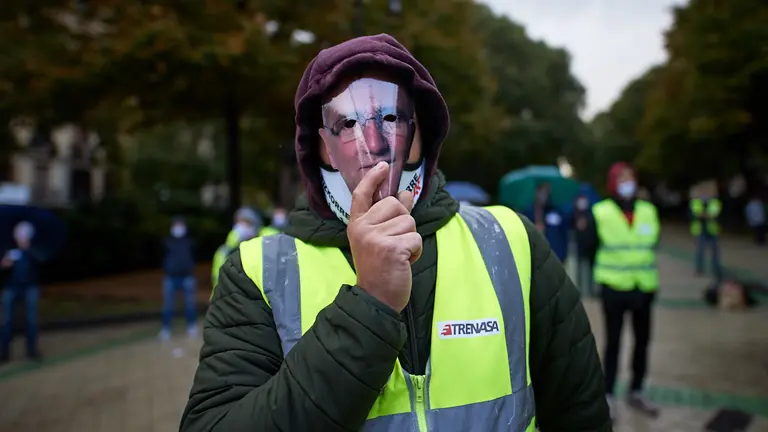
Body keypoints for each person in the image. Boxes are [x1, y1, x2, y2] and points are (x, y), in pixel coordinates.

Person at [181, 34, 610, 432]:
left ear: (424, 132)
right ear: (319, 146)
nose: (374, 143)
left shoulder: (511, 242)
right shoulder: (258, 271)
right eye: (346, 124)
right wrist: (369, 304)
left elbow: (581, 413)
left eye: (391, 117)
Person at [584, 162, 660, 419]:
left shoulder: (648, 211)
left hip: (643, 287)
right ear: (613, 182)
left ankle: (637, 390)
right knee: (613, 343)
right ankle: (608, 394)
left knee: (643, 342)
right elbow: (589, 247)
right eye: (623, 178)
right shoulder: (601, 211)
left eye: (632, 178)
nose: (628, 183)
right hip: (614, 288)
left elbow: (652, 244)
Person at [0, 221, 43, 362]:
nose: (22, 238)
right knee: (6, 321)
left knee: (31, 320)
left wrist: (28, 251)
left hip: (29, 287)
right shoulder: (9, 250)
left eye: (25, 235)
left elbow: (40, 264)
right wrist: (5, 265)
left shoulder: (33, 251)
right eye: (20, 235)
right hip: (11, 288)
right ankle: (4, 353)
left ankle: (31, 350)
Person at [159, 216, 197, 341]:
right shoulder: (167, 241)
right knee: (168, 305)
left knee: (190, 304)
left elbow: (192, 257)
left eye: (180, 225)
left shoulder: (189, 242)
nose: (178, 228)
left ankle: (191, 326)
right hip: (170, 277)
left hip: (187, 277)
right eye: (176, 225)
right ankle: (166, 329)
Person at [210, 207, 261, 290]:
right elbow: (217, 278)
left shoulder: (260, 248)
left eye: (247, 223)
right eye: (240, 223)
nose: (242, 228)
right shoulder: (224, 251)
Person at [527, 183, 571, 263]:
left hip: (555, 256)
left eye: (546, 192)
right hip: (535, 256)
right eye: (541, 191)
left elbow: (564, 232)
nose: (543, 195)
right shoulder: (529, 211)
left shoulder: (557, 212)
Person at [690, 190, 722, 280]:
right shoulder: (695, 202)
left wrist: (703, 215)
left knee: (715, 251)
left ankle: (716, 269)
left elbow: (714, 214)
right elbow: (696, 214)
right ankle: (699, 269)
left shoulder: (715, 202)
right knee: (700, 250)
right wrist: (706, 215)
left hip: (712, 230)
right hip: (700, 231)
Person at [573, 193, 596, 296]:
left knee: (590, 270)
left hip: (591, 246)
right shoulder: (574, 213)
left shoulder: (592, 213)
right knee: (580, 269)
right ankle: (580, 290)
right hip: (580, 246)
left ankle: (591, 290)